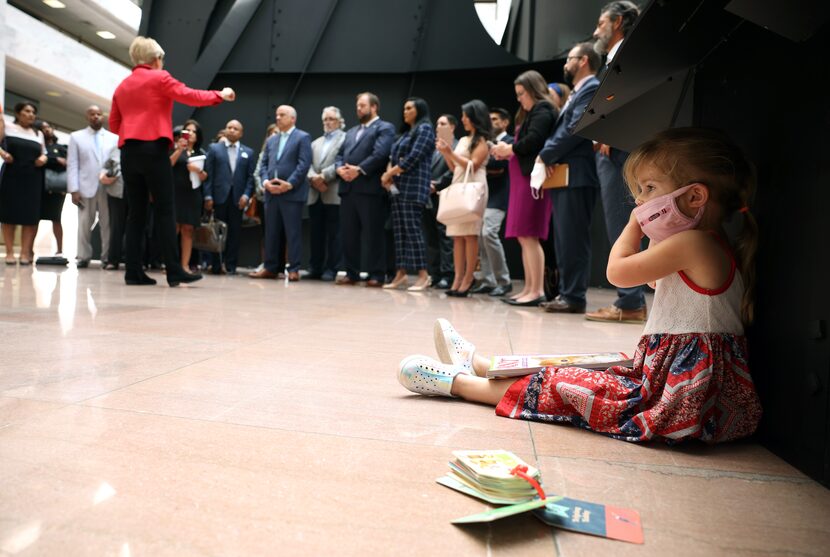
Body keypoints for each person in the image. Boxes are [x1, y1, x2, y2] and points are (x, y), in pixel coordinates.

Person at [398, 127, 763, 444]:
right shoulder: (697, 243)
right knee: (588, 367)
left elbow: (618, 273)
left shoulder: (693, 244)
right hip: (671, 378)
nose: (639, 201)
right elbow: (652, 279)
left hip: (677, 397)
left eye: (650, 188)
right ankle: (481, 364)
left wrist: (635, 224)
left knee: (568, 385)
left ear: (694, 197)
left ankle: (461, 383)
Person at [109, 36, 235, 286]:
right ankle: (174, 270)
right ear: (156, 58)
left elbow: (114, 124)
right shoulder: (160, 77)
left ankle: (133, 270)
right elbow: (189, 95)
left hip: (128, 152)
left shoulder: (122, 85)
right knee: (166, 210)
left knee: (136, 213)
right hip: (154, 150)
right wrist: (219, 94)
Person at [587, 1, 647, 324]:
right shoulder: (614, 58)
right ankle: (630, 298)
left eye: (601, 23)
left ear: (619, 22)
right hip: (613, 150)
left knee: (624, 223)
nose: (596, 30)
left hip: (620, 151)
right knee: (622, 224)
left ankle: (630, 302)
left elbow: (631, 98)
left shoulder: (628, 55)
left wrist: (611, 133)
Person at [537, 42, 602, 314]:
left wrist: (546, 154)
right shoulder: (579, 91)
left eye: (570, 59)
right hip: (567, 175)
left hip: (577, 174)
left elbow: (576, 127)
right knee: (564, 238)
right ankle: (567, 293)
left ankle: (574, 296)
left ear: (583, 60)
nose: (566, 64)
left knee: (573, 238)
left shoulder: (590, 87)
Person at [491, 70, 558, 306]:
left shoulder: (543, 109)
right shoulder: (534, 111)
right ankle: (529, 287)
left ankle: (536, 289)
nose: (519, 98)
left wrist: (509, 149)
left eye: (522, 93)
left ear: (532, 90)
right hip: (523, 179)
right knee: (523, 235)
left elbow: (533, 141)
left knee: (530, 234)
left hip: (532, 180)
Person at [334, 92, 395, 287]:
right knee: (349, 234)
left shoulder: (384, 128)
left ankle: (377, 274)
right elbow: (339, 154)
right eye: (357, 105)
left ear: (374, 107)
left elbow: (381, 153)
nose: (358, 109)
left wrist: (359, 170)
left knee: (373, 233)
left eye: (362, 105)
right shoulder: (351, 131)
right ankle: (351, 273)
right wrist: (339, 168)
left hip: (369, 190)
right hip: (348, 189)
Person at [435, 99, 492, 297]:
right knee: (457, 236)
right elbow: (455, 168)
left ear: (475, 117)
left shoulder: (482, 140)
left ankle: (468, 277)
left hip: (473, 187)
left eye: (466, 116)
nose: (463, 119)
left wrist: (451, 153)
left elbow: (473, 165)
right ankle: (458, 278)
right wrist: (445, 154)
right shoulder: (465, 140)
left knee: (470, 234)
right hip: (459, 183)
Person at [249, 105, 312, 281]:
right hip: (271, 192)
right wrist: (266, 182)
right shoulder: (272, 140)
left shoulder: (302, 137)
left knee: (292, 232)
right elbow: (263, 165)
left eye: (282, 115)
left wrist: (289, 184)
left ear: (293, 118)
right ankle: (270, 267)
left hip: (291, 193)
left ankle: (293, 268)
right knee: (271, 232)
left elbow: (303, 164)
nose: (278, 118)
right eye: (277, 115)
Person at [381, 97, 435, 291]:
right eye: (404, 108)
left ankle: (423, 274)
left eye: (409, 108)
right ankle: (401, 273)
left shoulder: (425, 129)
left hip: (414, 186)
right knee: (400, 232)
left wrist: (389, 172)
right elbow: (393, 157)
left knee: (413, 230)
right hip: (397, 188)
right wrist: (389, 175)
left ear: (419, 110)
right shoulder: (405, 133)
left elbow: (413, 158)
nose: (405, 111)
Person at [66, 105, 118, 268]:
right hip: (84, 186)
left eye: (99, 114)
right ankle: (83, 256)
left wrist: (112, 177)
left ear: (103, 117)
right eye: (92, 114)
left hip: (108, 187)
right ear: (87, 117)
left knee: (107, 224)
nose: (95, 116)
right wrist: (74, 189)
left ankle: (106, 257)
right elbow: (72, 164)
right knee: (83, 223)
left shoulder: (114, 138)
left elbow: (116, 162)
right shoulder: (76, 137)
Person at [204, 119, 256, 275]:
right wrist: (208, 196)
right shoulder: (214, 149)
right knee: (216, 232)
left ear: (241, 133)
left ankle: (231, 266)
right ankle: (216, 265)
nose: (232, 130)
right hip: (219, 196)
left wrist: (246, 195)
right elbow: (209, 175)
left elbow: (250, 177)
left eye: (236, 128)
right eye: (229, 127)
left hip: (238, 199)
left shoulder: (248, 152)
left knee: (234, 233)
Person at [471, 108, 513, 297]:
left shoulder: (511, 142)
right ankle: (488, 280)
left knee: (489, 233)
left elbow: (500, 165)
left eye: (495, 119)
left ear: (505, 122)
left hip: (501, 194)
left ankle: (504, 281)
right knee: (481, 235)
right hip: (484, 194)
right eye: (489, 119)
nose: (492, 122)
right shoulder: (485, 142)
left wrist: (484, 163)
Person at [0, 102, 47, 265]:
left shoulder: (38, 134)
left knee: (30, 217)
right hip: (11, 175)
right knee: (9, 215)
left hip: (33, 178)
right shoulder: (7, 127)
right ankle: (10, 252)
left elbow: (44, 153)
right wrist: (3, 153)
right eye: (27, 111)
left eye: (33, 112)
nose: (31, 114)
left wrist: (43, 158)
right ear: (18, 113)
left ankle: (25, 253)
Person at [306, 107, 347, 281]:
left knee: (334, 234)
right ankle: (315, 268)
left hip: (333, 192)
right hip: (315, 193)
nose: (328, 122)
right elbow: (306, 164)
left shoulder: (346, 139)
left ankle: (332, 269)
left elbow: (344, 161)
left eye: (331, 119)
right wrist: (314, 178)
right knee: (316, 234)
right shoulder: (315, 143)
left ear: (339, 121)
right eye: (325, 120)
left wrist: (324, 177)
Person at [424, 115, 457, 290]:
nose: (438, 126)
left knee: (446, 238)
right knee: (431, 237)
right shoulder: (432, 147)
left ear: (452, 127)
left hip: (446, 195)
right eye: (437, 123)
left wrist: (437, 185)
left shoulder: (457, 145)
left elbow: (455, 170)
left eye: (443, 124)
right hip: (428, 196)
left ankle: (448, 275)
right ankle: (434, 274)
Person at [171, 121, 207, 272]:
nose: (190, 133)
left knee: (188, 230)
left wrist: (197, 171)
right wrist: (179, 149)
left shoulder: (202, 154)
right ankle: (171, 263)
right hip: (175, 193)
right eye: (187, 130)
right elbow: (167, 165)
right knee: (174, 229)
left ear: (198, 136)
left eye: (194, 131)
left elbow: (205, 177)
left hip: (192, 195)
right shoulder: (175, 149)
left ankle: (184, 265)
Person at [39, 121, 67, 256]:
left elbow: (66, 163)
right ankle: (29, 250)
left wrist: (48, 160)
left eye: (48, 127)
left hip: (57, 189)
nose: (47, 130)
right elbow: (37, 162)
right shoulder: (38, 146)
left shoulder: (61, 147)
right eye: (43, 128)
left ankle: (60, 250)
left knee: (56, 218)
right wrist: (55, 160)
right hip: (39, 188)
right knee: (34, 219)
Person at [100, 144, 126, 270]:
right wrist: (103, 175)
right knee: (116, 227)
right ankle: (113, 260)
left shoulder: (141, 149)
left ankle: (136, 261)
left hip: (136, 192)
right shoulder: (115, 149)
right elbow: (106, 167)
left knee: (137, 228)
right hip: (116, 192)